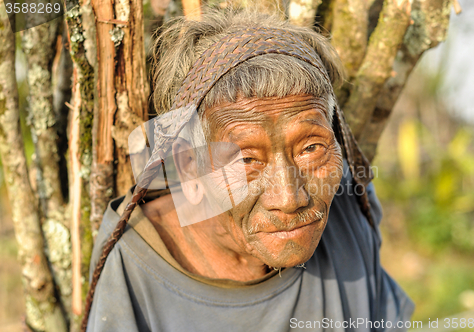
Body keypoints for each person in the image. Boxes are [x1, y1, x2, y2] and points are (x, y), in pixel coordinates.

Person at [83, 9, 414, 332]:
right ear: (189, 167)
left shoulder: (350, 208)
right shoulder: (137, 263)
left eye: (310, 148)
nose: (289, 199)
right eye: (246, 160)